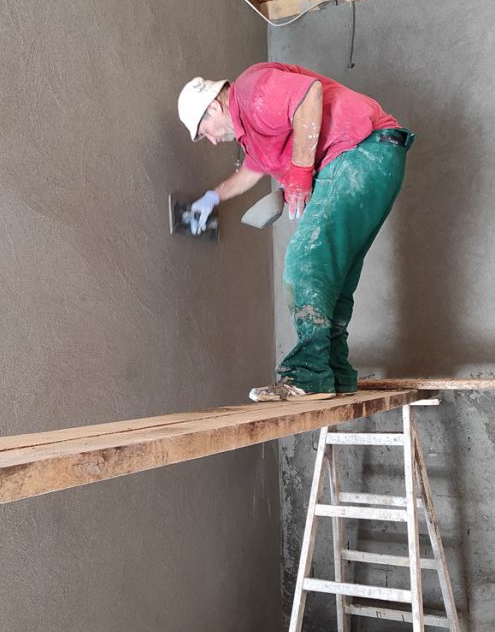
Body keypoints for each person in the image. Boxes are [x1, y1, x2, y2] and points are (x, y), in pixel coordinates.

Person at [177, 63, 414, 402]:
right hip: (381, 157)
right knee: (336, 277)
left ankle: (307, 375)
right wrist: (213, 197)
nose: (212, 140)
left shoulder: (249, 90)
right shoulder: (254, 135)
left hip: (361, 150)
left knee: (305, 261)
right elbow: (249, 172)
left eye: (206, 130)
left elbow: (308, 95)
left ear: (213, 106)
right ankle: (334, 373)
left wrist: (301, 172)